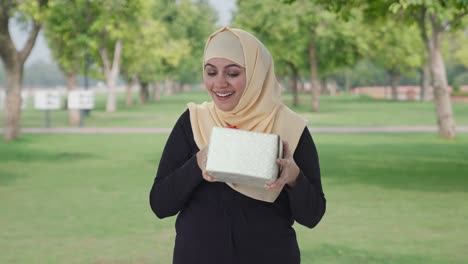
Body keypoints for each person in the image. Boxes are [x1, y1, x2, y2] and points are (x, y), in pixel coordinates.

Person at [149, 26, 326, 264]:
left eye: (232, 73)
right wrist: (197, 164)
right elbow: (161, 204)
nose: (219, 83)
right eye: (211, 72)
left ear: (256, 74)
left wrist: (294, 177)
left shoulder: (290, 127)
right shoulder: (193, 122)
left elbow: (312, 216)